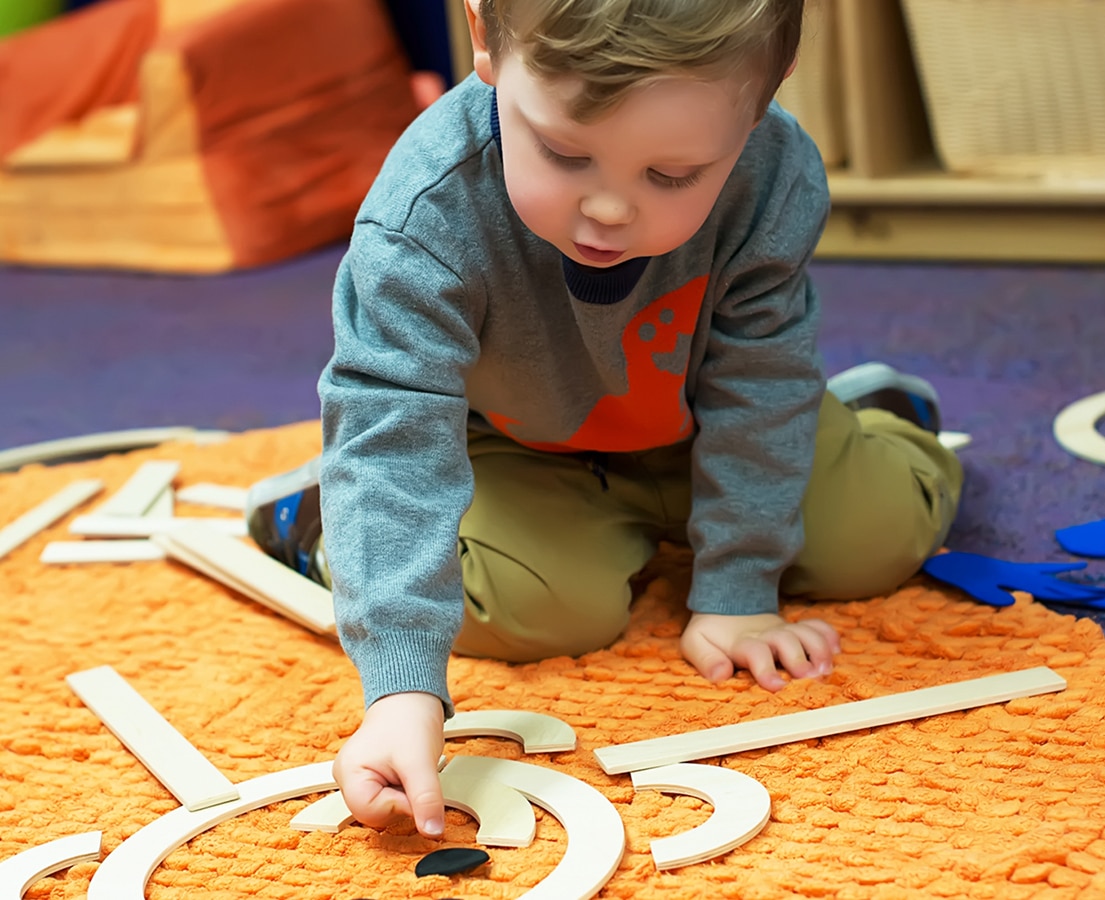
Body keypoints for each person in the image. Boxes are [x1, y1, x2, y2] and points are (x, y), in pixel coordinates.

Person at [246, 0, 963, 840]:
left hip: (697, 419)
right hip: (518, 445)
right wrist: (401, 688)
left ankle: (875, 418)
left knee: (879, 539)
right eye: (562, 152)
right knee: (540, 613)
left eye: (670, 176)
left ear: (769, 89)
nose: (611, 210)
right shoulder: (423, 219)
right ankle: (322, 516)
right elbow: (395, 431)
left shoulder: (776, 171)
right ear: (485, 39)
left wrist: (738, 587)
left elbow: (760, 377)